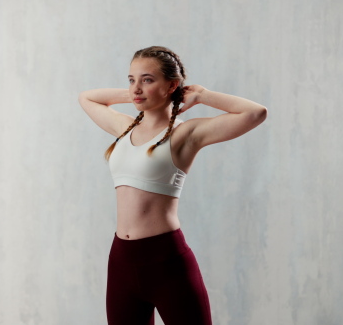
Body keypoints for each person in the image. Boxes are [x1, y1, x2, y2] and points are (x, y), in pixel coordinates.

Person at [78, 46, 267, 325]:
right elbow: (86, 98)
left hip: (166, 263)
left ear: (172, 85)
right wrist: (134, 95)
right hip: (121, 261)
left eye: (148, 80)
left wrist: (202, 96)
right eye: (132, 79)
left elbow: (256, 113)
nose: (136, 87)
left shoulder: (185, 134)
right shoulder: (125, 128)